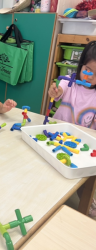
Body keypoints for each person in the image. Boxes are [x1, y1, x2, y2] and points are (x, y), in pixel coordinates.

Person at [48, 41, 96, 217]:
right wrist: (54, 92)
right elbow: (58, 90)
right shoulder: (69, 83)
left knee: (84, 181)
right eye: (88, 70)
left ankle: (87, 203)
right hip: (55, 137)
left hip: (80, 145)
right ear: (81, 64)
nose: (91, 77)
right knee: (52, 173)